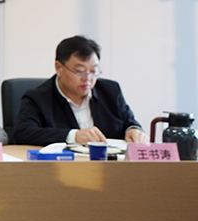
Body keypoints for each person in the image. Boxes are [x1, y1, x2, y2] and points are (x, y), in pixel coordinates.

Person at [13, 35, 146, 146]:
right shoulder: (38, 98)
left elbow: (129, 123)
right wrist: (74, 136)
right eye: (79, 71)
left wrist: (134, 130)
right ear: (59, 68)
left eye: (93, 71)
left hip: (108, 165)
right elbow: (23, 133)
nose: (87, 78)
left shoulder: (111, 91)